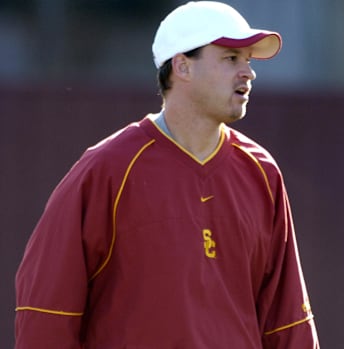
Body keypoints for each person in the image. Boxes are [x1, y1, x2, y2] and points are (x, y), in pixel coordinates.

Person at [15, 2, 319, 348]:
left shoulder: (261, 172)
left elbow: (287, 319)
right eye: (231, 59)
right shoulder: (107, 169)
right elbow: (46, 311)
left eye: (248, 60)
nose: (248, 72)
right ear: (182, 66)